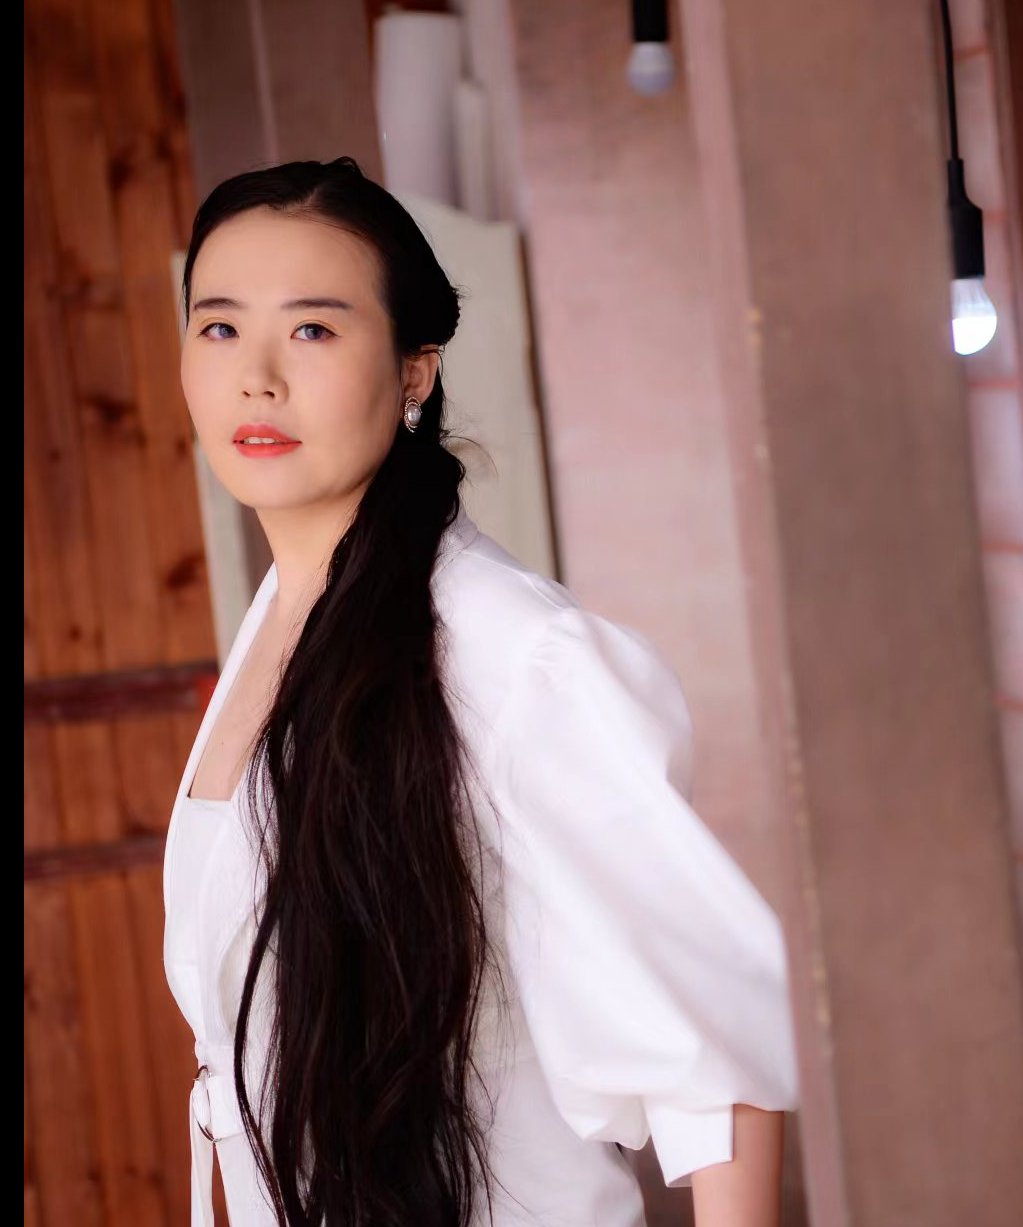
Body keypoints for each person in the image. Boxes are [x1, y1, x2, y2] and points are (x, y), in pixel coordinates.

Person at [163, 156, 799, 1227]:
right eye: (219, 327)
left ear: (414, 372)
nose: (256, 377)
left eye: (312, 329)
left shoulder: (516, 654)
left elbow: (713, 1056)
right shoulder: (283, 617)